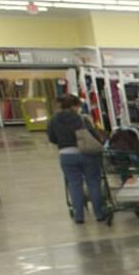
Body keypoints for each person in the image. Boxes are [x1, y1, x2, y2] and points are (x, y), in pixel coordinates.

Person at [47, 93, 107, 224]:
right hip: (87, 154)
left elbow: (52, 138)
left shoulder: (53, 120)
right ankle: (99, 214)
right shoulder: (81, 119)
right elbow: (93, 135)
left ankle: (79, 216)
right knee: (93, 183)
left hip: (66, 155)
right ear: (76, 106)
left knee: (74, 185)